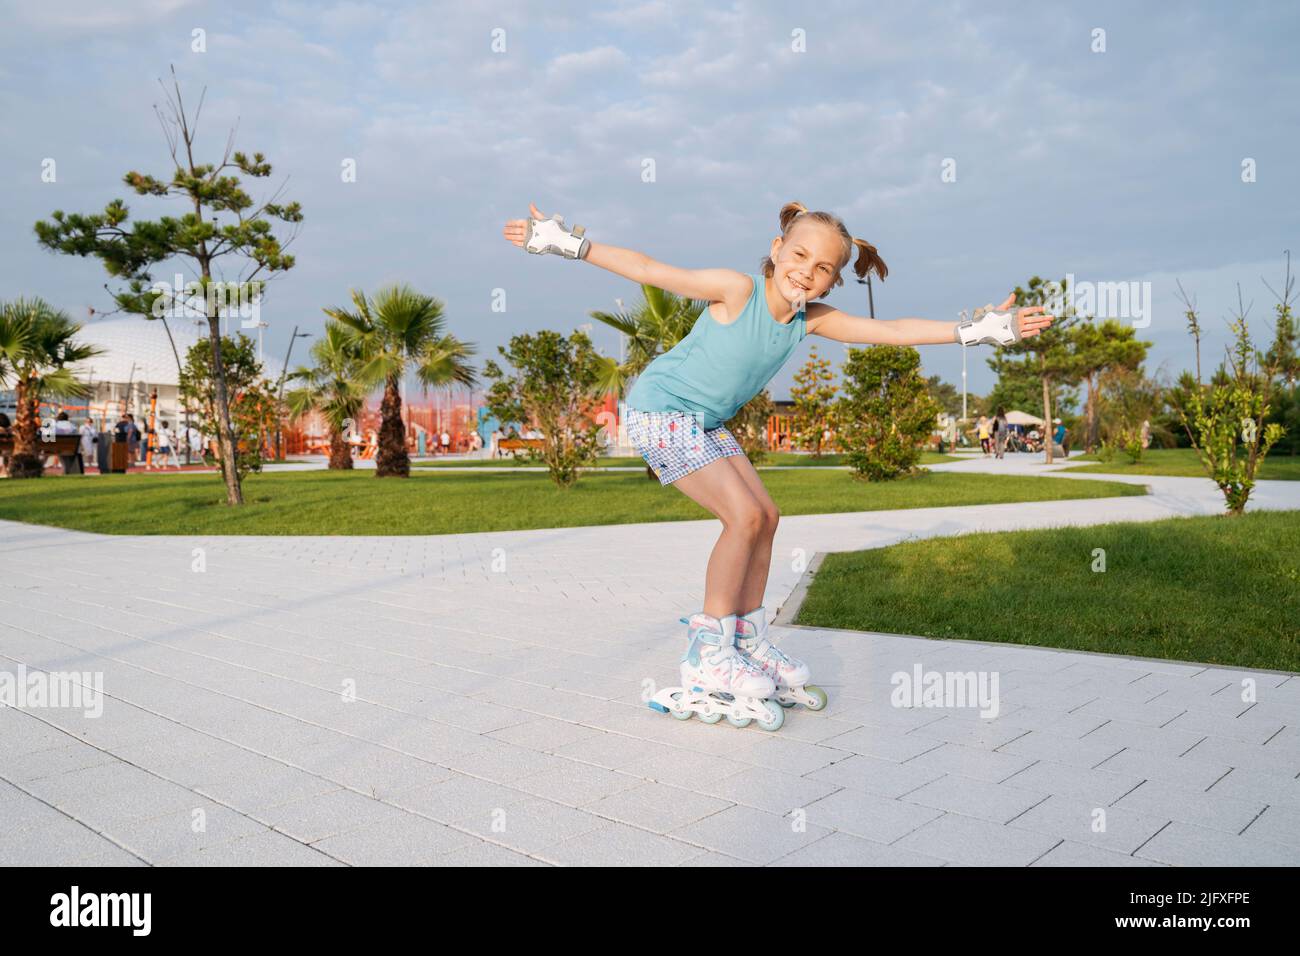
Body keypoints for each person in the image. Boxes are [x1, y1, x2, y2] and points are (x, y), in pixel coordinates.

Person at [505, 199, 1052, 729]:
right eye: (798, 257)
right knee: (741, 518)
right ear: (776, 249)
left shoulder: (808, 321)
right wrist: (567, 244)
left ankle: (745, 639)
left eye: (822, 268)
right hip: (661, 410)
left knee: (766, 516)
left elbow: (890, 331)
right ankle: (707, 651)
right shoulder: (736, 291)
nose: (806, 273)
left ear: (833, 280)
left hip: (705, 422)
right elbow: (649, 269)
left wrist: (976, 330)